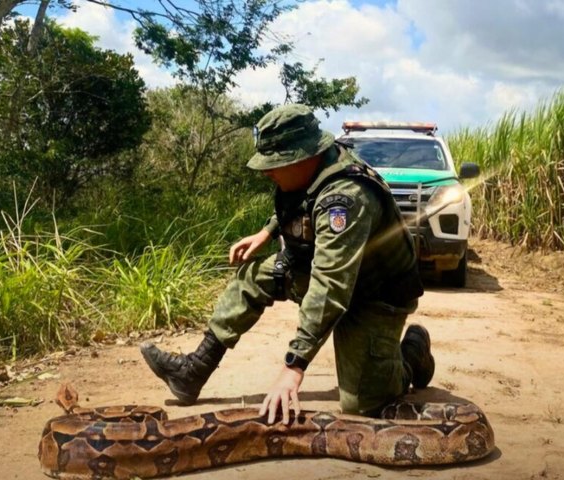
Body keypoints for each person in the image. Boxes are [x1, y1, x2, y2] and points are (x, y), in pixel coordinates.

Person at [140, 104, 434, 423]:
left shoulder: (346, 198)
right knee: (251, 278)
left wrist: (293, 367)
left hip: (376, 294)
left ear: (305, 155)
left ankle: (412, 355)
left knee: (363, 405)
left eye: (275, 164)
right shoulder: (315, 168)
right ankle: (192, 371)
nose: (267, 172)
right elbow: (303, 201)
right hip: (331, 271)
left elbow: (329, 286)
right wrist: (266, 232)